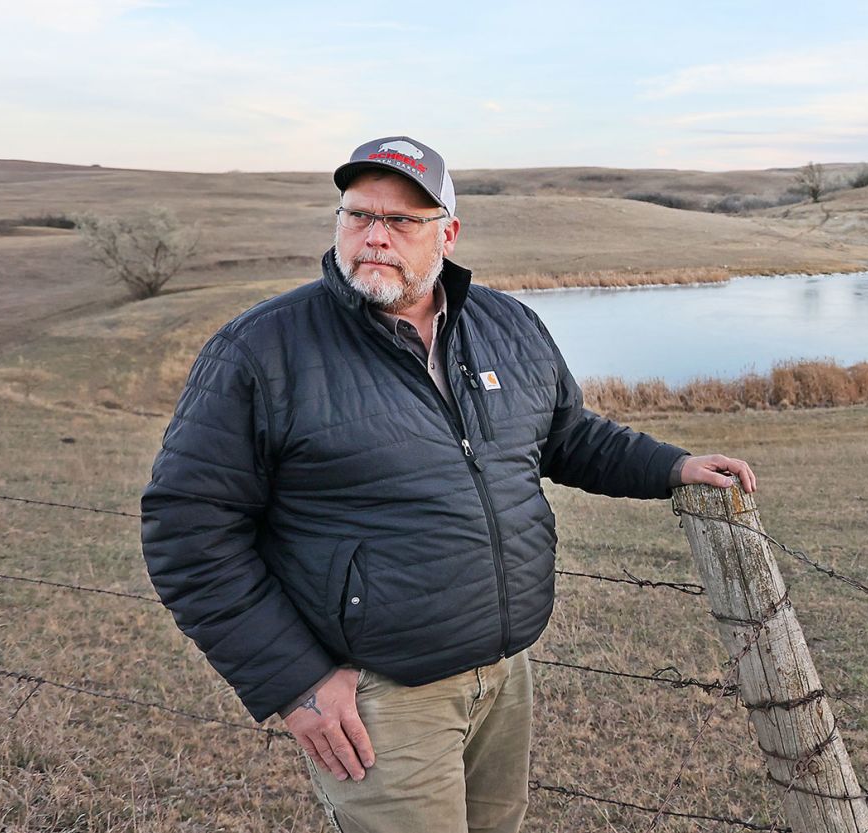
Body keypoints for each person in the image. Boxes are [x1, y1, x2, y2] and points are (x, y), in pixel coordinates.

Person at [140, 135, 755, 833]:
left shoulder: (507, 326)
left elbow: (568, 435)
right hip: (382, 695)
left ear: (448, 234)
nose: (375, 236)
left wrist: (673, 466)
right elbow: (187, 531)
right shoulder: (263, 350)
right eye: (358, 215)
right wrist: (296, 682)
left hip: (502, 673)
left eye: (402, 220)